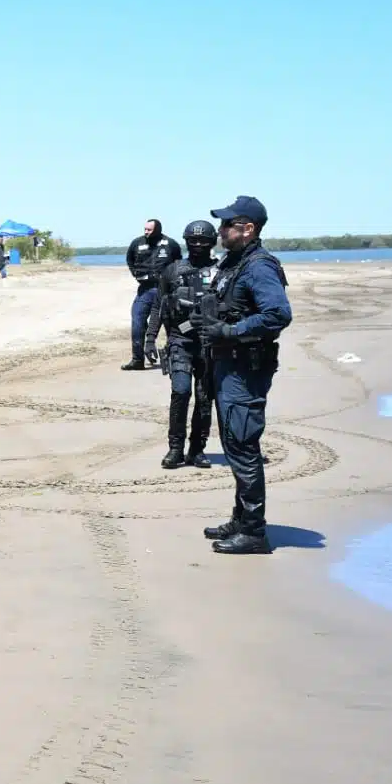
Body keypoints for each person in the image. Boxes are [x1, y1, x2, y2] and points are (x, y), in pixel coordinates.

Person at [191, 196, 291, 554]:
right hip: (226, 364)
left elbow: (278, 315)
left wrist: (229, 332)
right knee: (234, 443)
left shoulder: (259, 266)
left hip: (244, 368)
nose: (220, 231)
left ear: (248, 229)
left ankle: (254, 531)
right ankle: (241, 519)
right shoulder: (235, 263)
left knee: (243, 444)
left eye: (226, 225)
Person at [145, 220, 220, 469]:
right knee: (180, 392)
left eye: (204, 241)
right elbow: (158, 306)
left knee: (204, 397)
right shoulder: (172, 270)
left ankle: (197, 450)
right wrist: (149, 338)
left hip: (210, 343)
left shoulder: (221, 271)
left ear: (212, 242)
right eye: (193, 240)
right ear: (186, 241)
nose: (198, 245)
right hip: (179, 340)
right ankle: (175, 449)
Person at [123, 219, 181, 370]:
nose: (146, 232)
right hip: (145, 290)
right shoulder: (137, 243)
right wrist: (135, 274)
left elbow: (179, 263)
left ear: (157, 230)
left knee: (171, 324)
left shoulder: (171, 244)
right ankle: (137, 359)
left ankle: (174, 357)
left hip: (166, 291)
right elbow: (129, 259)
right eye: (145, 229)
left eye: (149, 229)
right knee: (137, 321)